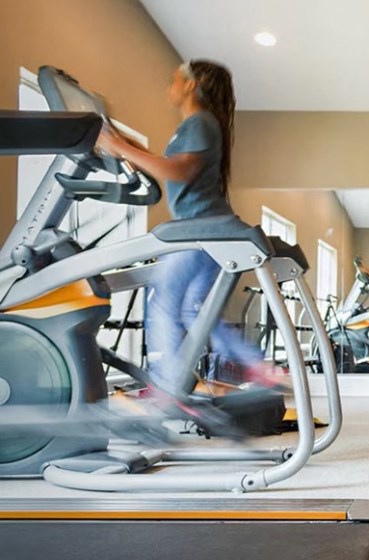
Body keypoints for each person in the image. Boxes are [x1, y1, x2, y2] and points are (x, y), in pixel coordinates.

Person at [97, 59, 278, 398]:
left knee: (164, 304)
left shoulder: (200, 122)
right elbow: (173, 164)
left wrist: (118, 147)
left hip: (200, 230)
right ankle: (257, 365)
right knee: (196, 310)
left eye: (175, 79)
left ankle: (167, 387)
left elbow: (179, 171)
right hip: (211, 231)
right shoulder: (199, 126)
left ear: (191, 85)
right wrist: (126, 145)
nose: (170, 86)